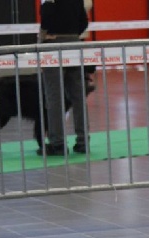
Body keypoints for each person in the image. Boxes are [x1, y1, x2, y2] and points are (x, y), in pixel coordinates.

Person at [39, 0, 90, 156]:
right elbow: (84, 21)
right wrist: (72, 35)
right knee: (78, 95)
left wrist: (42, 36)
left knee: (54, 95)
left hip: (54, 43)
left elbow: (47, 14)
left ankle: (58, 143)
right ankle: (83, 142)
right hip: (74, 42)